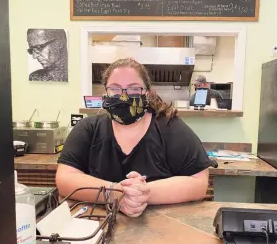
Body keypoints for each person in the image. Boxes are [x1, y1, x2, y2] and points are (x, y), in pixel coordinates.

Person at [56, 58, 213, 218]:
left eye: (133, 89)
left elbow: (199, 183)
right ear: (105, 93)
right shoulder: (88, 128)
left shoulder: (170, 127)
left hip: (162, 231)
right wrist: (115, 193)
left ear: (147, 93)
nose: (124, 96)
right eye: (115, 89)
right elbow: (65, 178)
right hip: (95, 229)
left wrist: (145, 194)